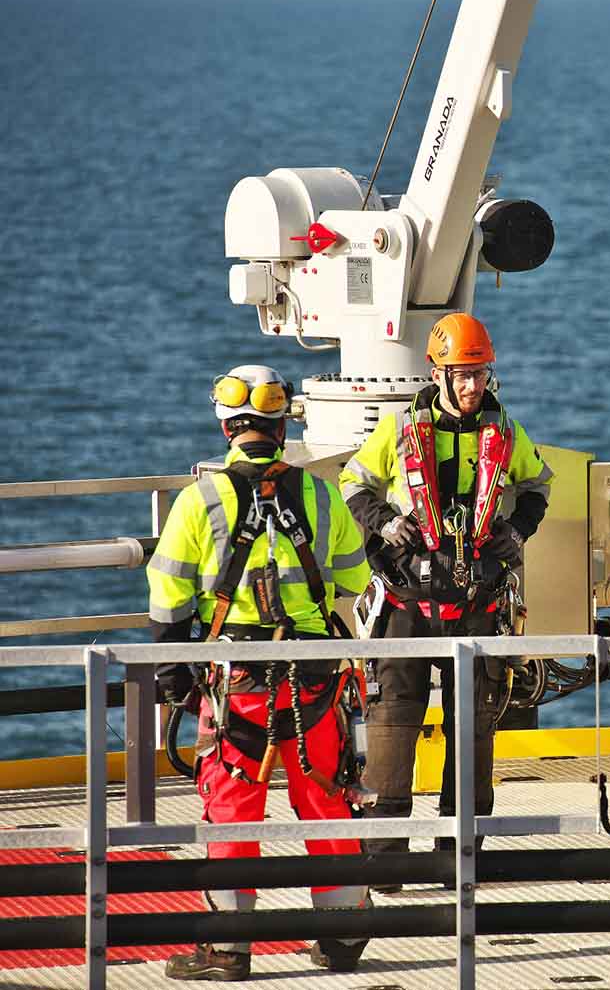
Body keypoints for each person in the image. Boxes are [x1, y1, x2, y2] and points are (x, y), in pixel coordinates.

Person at [148, 364, 373, 980]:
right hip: (314, 678)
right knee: (325, 795)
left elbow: (168, 597)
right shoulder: (320, 493)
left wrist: (173, 672)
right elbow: (354, 577)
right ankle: (345, 933)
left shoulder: (199, 500)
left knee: (232, 805)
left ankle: (228, 947)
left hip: (236, 682)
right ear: (281, 426)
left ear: (226, 426)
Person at [339, 312, 552, 873]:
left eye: (479, 374)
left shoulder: (505, 432)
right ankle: (385, 860)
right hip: (407, 598)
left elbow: (537, 486)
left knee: (476, 723)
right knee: (391, 722)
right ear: (437, 374)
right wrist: (385, 521)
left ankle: (461, 856)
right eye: (461, 375)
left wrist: (517, 531)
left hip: (476, 601)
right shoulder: (400, 429)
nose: (471, 386)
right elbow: (354, 482)